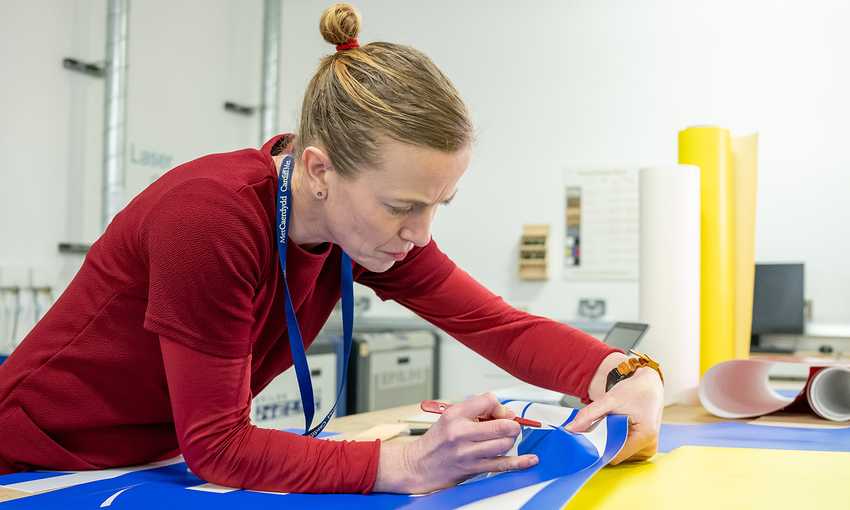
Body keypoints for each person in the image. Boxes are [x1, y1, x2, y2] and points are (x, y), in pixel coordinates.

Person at [0, 3, 663, 494]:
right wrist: (408, 462)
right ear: (320, 169)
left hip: (144, 462)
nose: (421, 232)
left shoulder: (359, 224)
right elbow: (219, 446)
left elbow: (497, 325)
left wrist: (626, 374)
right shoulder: (210, 218)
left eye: (438, 204)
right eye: (403, 206)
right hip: (34, 461)